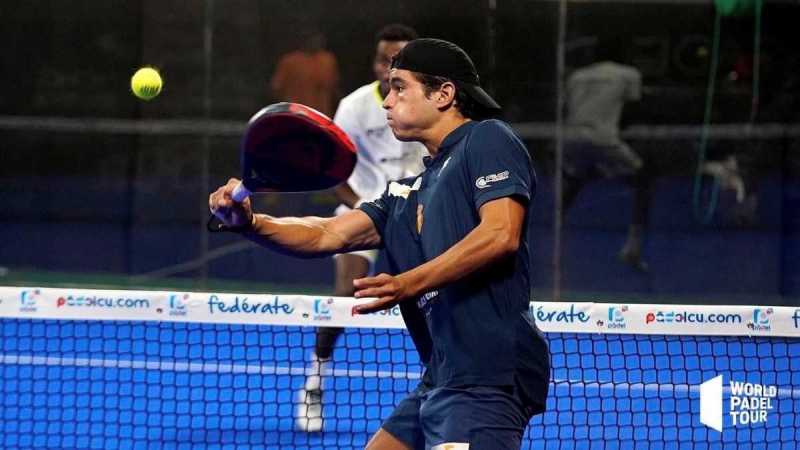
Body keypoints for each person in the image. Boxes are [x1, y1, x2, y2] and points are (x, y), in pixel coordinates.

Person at [210, 38, 550, 450]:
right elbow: (326, 233)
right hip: (441, 377)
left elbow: (500, 234)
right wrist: (250, 223)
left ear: (443, 94)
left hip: (488, 376)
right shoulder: (406, 192)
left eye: (400, 87)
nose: (387, 101)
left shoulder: (487, 140)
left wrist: (409, 283)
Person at [296, 23, 425, 433]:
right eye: (384, 60)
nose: (389, 67)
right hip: (365, 207)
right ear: (374, 63)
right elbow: (333, 171)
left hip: (419, 211)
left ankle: (446, 386)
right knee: (345, 293)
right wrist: (365, 209)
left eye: (399, 60)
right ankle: (314, 382)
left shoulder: (428, 104)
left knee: (440, 292)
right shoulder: (353, 108)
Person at [561, 56, 649, 271]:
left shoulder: (577, 76)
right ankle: (633, 247)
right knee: (644, 179)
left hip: (571, 138)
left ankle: (544, 229)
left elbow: (566, 109)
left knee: (577, 179)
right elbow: (633, 109)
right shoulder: (629, 73)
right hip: (604, 139)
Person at [270, 30, 339, 117]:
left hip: (322, 115)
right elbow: (276, 89)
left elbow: (334, 87)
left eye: (318, 38)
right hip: (296, 115)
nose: (316, 41)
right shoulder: (289, 61)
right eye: (312, 39)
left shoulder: (328, 60)